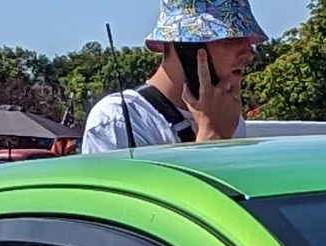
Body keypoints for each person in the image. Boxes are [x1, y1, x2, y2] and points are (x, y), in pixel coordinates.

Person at [82, 0, 264, 153]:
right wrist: (213, 136)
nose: (249, 53)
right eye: (230, 38)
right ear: (186, 47)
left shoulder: (228, 115)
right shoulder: (120, 120)